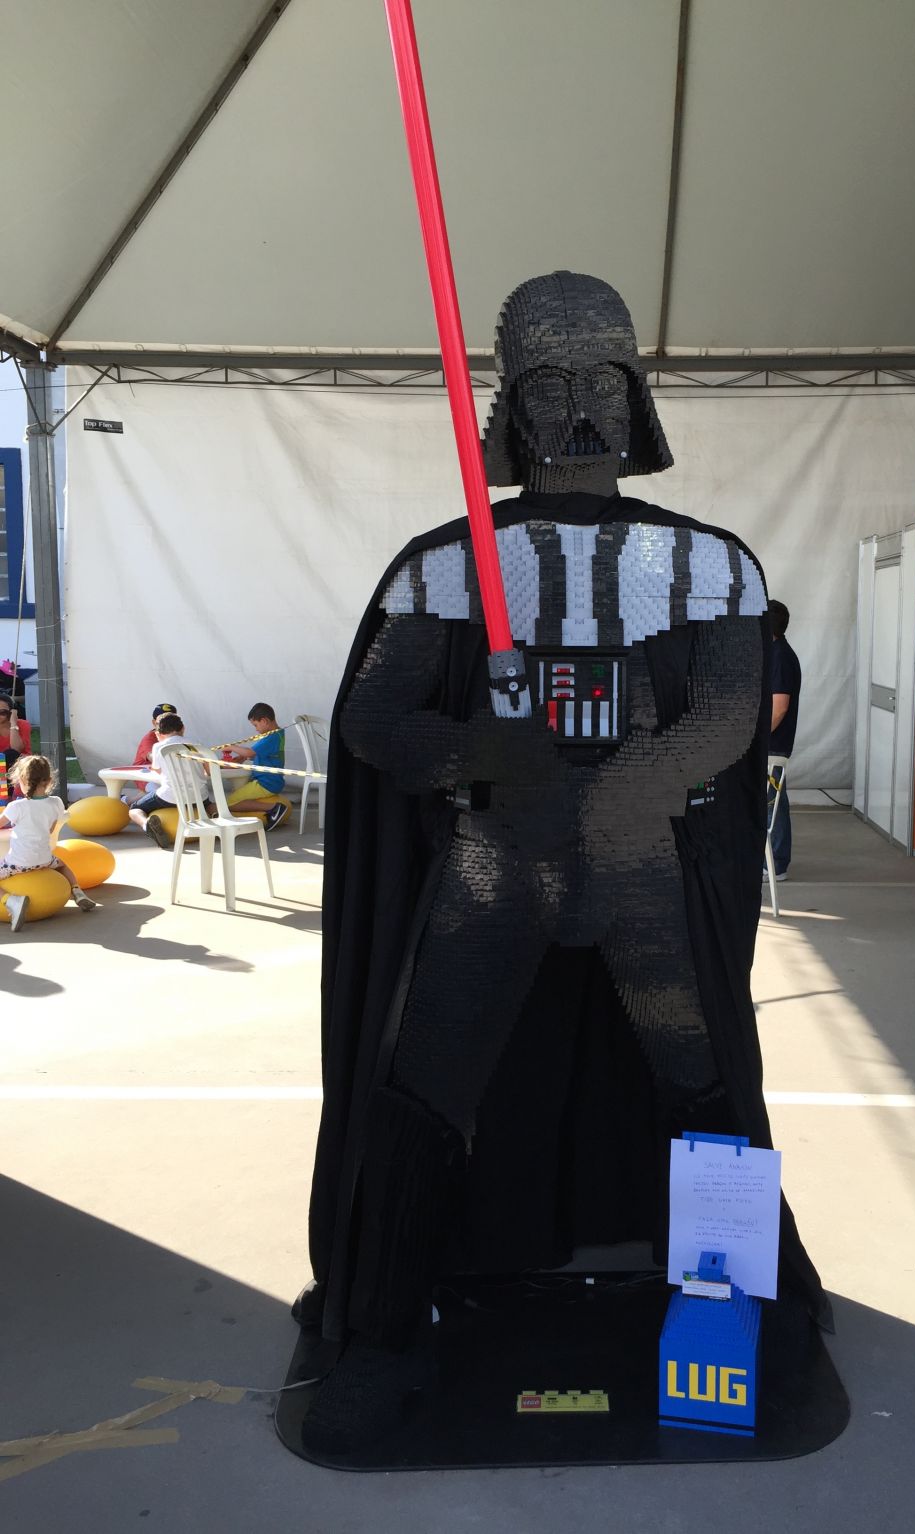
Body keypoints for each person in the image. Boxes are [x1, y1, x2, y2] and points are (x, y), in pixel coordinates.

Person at [296, 272, 829, 1457]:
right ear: (511, 409)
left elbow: (728, 710)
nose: (579, 410)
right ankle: (382, 1332)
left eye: (600, 382)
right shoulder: (444, 567)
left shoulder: (711, 564)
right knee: (427, 1084)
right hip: (497, 863)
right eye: (549, 387)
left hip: (639, 867)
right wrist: (477, 752)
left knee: (700, 1086)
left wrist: (638, 781)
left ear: (635, 395)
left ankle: (734, 1316)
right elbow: (377, 718)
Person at [0, 755, 98, 932]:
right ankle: (77, 891)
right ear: (49, 780)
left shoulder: (16, 807)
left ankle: (11, 901)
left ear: (21, 780)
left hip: (18, 863)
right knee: (63, 865)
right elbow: (51, 829)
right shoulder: (56, 802)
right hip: (45, 860)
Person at [765, 598, 801, 882]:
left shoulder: (780, 657)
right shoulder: (776, 653)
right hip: (771, 745)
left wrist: (756, 740)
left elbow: (779, 708)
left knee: (772, 804)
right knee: (770, 802)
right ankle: (770, 860)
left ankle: (776, 864)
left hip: (772, 746)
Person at [128, 713, 195, 847]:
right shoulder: (196, 745)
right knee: (209, 805)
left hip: (169, 797)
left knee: (134, 809)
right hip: (197, 797)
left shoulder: (158, 747)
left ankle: (147, 825)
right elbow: (207, 772)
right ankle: (219, 816)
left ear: (158, 733)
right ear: (183, 728)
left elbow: (157, 770)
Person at [221, 704, 289, 831]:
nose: (256, 729)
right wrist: (242, 758)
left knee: (230, 802)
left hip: (265, 783)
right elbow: (260, 754)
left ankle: (273, 808)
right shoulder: (278, 734)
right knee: (238, 795)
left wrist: (230, 747)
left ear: (264, 721)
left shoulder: (271, 737)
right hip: (272, 781)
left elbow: (250, 752)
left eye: (256, 725)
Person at [129, 703, 180, 794]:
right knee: (162, 792)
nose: (168, 724)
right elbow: (153, 758)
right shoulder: (149, 738)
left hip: (164, 774)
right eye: (163, 721)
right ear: (154, 723)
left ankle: (129, 800)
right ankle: (127, 800)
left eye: (172, 720)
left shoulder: (176, 737)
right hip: (145, 775)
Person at [0, 693, 33, 778]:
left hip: (21, 767)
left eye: (2, 712)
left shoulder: (23, 724)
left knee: (10, 754)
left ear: (11, 712)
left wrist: (13, 723)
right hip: (2, 770)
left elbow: (16, 750)